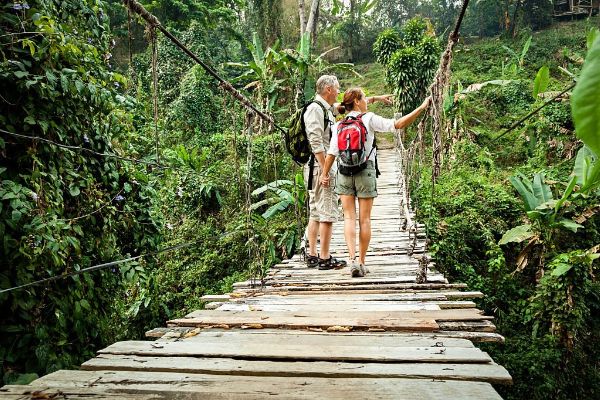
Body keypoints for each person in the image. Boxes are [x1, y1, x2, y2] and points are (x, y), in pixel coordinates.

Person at [320, 87, 430, 277]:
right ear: (356, 101)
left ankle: (352, 259)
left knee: (348, 218)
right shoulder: (368, 119)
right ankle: (362, 262)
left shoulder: (339, 125)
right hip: (365, 171)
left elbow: (332, 153)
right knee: (365, 219)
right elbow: (399, 124)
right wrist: (421, 107)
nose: (365, 101)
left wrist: (324, 174)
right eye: (363, 98)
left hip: (344, 172)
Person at [304, 76, 393, 270]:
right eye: (336, 89)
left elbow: (351, 106)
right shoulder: (315, 109)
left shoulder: (325, 108)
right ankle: (324, 258)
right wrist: (324, 171)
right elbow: (316, 142)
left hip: (322, 166)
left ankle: (312, 254)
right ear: (328, 89)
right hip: (320, 166)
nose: (338, 92)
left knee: (316, 210)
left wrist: (376, 99)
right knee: (326, 211)